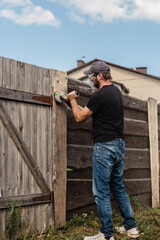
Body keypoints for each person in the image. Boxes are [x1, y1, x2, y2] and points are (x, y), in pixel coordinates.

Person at [68, 61, 140, 240]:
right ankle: (131, 228)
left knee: (101, 192)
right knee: (118, 188)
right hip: (119, 146)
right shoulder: (117, 92)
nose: (90, 79)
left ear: (99, 76)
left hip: (105, 147)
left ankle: (106, 234)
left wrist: (72, 100)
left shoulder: (99, 96)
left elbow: (78, 118)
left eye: (91, 76)